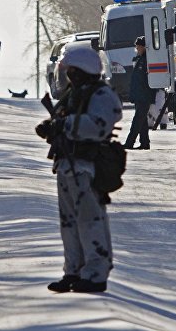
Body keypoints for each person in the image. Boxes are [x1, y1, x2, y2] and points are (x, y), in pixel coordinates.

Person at [35, 44, 122, 293]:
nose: (68, 75)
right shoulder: (75, 93)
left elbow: (99, 125)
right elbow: (62, 119)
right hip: (67, 164)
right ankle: (73, 271)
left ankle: (95, 274)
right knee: (69, 224)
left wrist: (64, 125)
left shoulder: (101, 94)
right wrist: (50, 126)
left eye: (71, 70)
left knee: (90, 221)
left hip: (87, 166)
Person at [124, 36, 155, 150]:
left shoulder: (147, 60)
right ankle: (145, 142)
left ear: (143, 47)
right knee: (142, 121)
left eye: (138, 47)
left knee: (137, 120)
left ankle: (129, 142)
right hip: (139, 95)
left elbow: (146, 80)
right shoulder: (140, 59)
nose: (137, 49)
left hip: (144, 95)